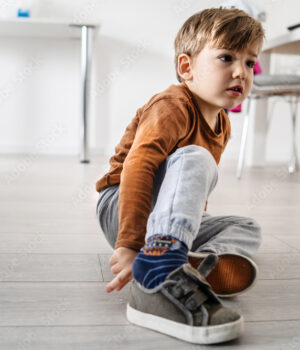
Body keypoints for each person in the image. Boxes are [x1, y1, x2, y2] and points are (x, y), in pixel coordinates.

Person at [95, 7, 265, 344]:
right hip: (124, 205)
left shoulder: (223, 122)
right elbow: (137, 168)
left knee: (247, 228)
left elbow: (190, 188)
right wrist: (128, 244)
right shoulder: (172, 105)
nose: (241, 72)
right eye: (227, 57)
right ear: (186, 67)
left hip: (164, 220)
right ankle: (159, 263)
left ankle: (188, 264)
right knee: (196, 157)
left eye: (249, 63)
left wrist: (190, 223)